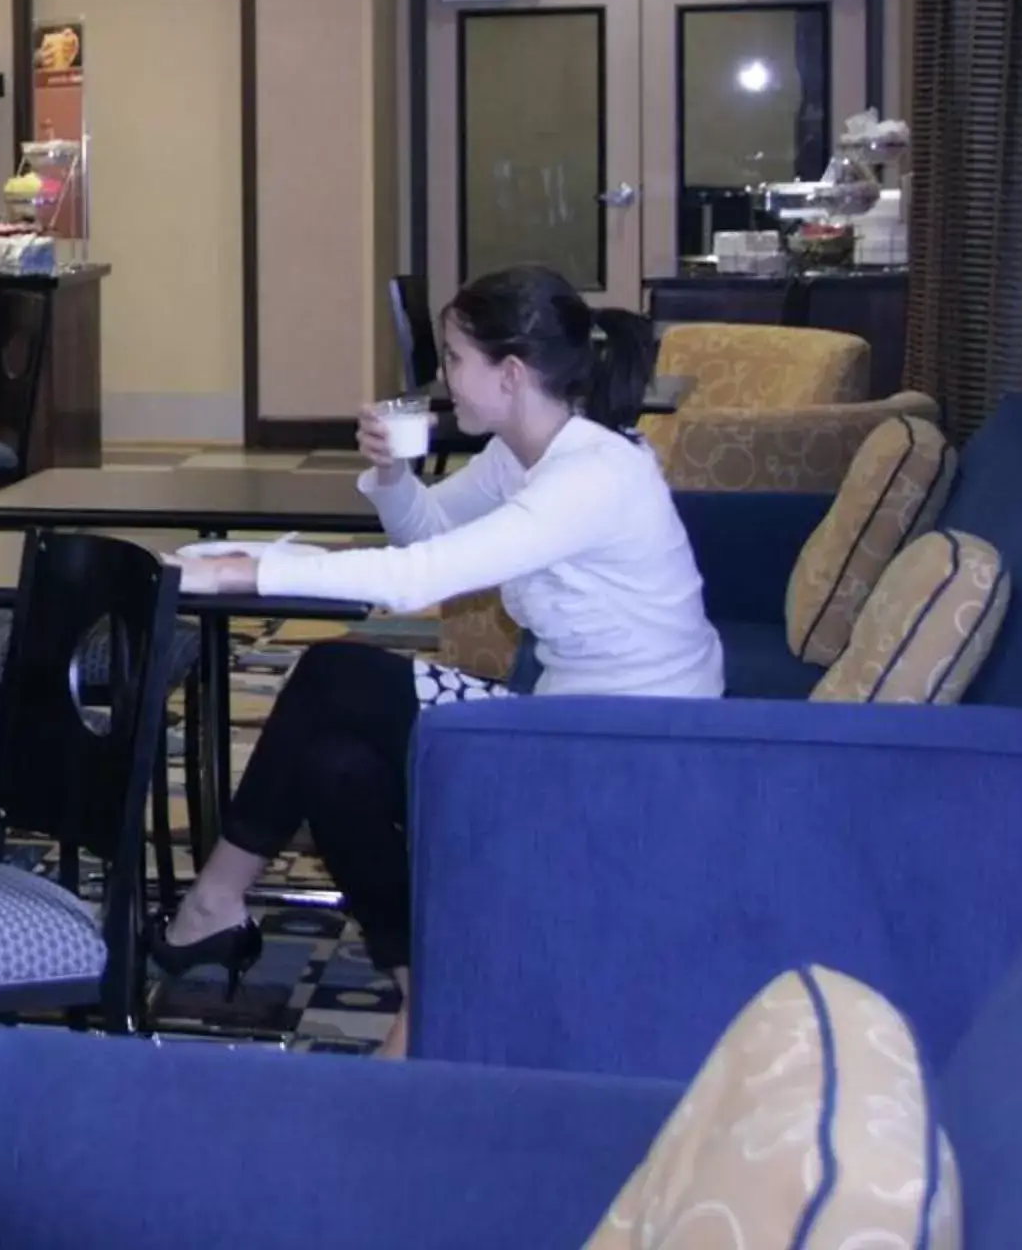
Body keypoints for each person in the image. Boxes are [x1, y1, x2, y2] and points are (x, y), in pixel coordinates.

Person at [147, 263, 719, 1055]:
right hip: (570, 720)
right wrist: (391, 475)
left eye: (454, 360)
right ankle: (427, 988)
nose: (441, 380)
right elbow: (428, 535)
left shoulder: (591, 476)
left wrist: (245, 572)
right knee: (335, 765)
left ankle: (214, 901)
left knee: (333, 672)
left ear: (511, 374)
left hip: (622, 748)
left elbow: (418, 579)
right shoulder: (526, 455)